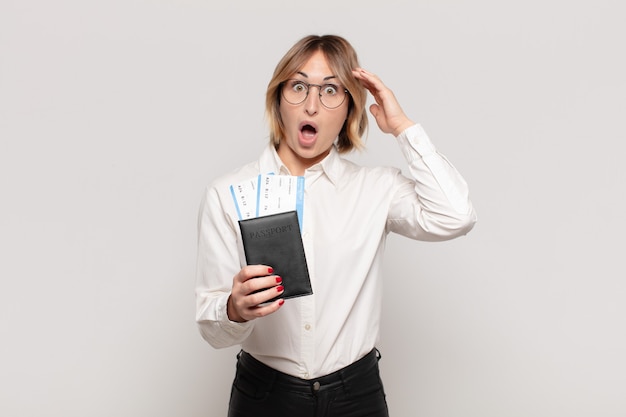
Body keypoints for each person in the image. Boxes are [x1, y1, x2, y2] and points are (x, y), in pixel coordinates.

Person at [195, 34, 477, 417]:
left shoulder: (376, 188)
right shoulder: (227, 193)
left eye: (331, 90)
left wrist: (402, 127)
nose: (312, 105)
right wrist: (233, 309)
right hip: (265, 396)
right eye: (298, 86)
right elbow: (211, 329)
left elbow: (455, 215)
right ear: (278, 100)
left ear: (349, 110)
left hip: (355, 396)